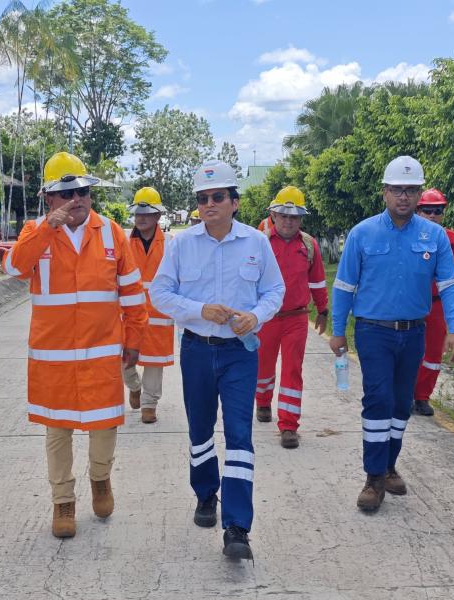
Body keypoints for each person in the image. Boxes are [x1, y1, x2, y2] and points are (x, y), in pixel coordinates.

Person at [3, 151, 148, 539]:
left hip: (102, 352)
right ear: (49, 198)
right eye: (66, 193)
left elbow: (133, 292)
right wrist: (45, 230)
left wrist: (134, 339)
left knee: (105, 423)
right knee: (58, 429)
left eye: (82, 190)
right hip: (54, 358)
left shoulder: (112, 232)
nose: (77, 199)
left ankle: (101, 479)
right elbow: (16, 268)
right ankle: (63, 501)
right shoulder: (35, 232)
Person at [150, 159, 285, 560]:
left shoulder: (256, 243)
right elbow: (160, 294)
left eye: (218, 197)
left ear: (235, 202)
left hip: (240, 355)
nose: (210, 204)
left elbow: (274, 291)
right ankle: (206, 494)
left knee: (240, 436)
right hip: (196, 349)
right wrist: (198, 310)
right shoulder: (182, 244)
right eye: (203, 198)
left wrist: (255, 316)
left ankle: (238, 526)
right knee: (200, 430)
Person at [328, 156, 454, 513]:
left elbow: (451, 284)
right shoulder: (362, 233)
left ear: (419, 194)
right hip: (374, 332)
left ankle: (389, 465)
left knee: (402, 402)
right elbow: (344, 285)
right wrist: (338, 331)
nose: (403, 197)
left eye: (410, 190)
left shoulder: (434, 236)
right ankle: (373, 478)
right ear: (384, 192)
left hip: (414, 333)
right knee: (377, 400)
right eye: (396, 190)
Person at [254, 186, 328, 448]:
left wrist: (323, 310)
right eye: (283, 215)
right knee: (262, 367)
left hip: (296, 318)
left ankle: (288, 425)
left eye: (294, 216)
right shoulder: (259, 241)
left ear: (301, 219)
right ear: (273, 214)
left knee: (292, 370)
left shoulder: (308, 245)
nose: (288, 221)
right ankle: (262, 401)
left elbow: (317, 281)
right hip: (266, 318)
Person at [412, 189, 454, 416]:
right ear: (418, 211)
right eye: (427, 210)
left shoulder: (452, 239)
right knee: (408, 351)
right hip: (411, 304)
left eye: (437, 210)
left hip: (438, 305)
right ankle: (405, 393)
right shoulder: (407, 236)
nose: (432, 215)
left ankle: (422, 397)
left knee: (433, 354)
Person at [123, 186, 175, 424]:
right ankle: (134, 386)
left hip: (158, 312)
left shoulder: (170, 244)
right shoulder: (123, 243)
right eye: (138, 213)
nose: (142, 218)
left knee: (154, 361)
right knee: (123, 359)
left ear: (157, 216)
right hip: (128, 312)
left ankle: (149, 403)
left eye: (147, 213)